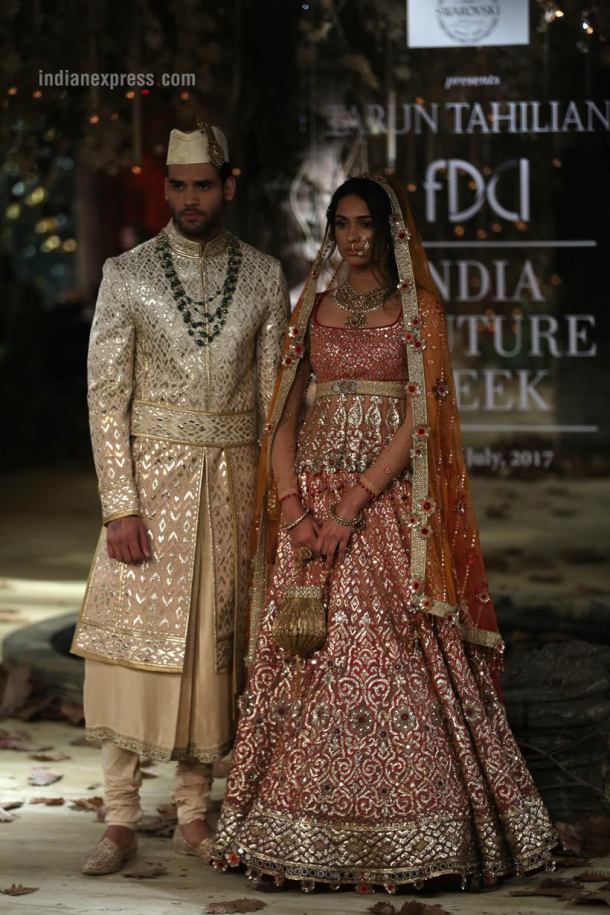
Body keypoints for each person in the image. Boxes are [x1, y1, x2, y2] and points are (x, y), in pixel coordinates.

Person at [212, 175, 556, 892]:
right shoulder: (312, 307)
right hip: (311, 508)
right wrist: (293, 508)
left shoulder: (418, 309)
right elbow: (283, 417)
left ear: (389, 229)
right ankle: (294, 830)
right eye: (342, 224)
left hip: (387, 506)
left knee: (394, 648)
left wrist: (353, 503)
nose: (354, 237)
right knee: (308, 655)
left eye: (365, 223)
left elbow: (420, 418)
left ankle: (418, 832)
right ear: (331, 231)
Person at [71, 123, 290, 875]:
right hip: (149, 486)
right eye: (179, 185)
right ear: (166, 188)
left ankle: (194, 812)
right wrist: (119, 504)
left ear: (229, 186)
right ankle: (120, 817)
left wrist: (276, 501)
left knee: (211, 650)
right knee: (131, 650)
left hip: (233, 487)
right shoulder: (126, 273)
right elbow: (106, 396)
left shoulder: (263, 276)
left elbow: (274, 402)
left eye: (203, 185)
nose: (190, 198)